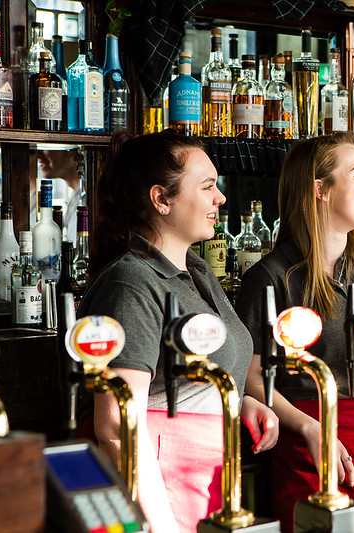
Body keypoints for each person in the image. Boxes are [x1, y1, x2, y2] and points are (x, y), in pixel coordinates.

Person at [79, 131, 278, 533]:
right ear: (161, 199)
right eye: (207, 186)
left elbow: (194, 371)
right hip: (158, 493)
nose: (220, 197)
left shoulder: (197, 271)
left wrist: (237, 401)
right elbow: (116, 426)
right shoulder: (132, 284)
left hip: (206, 480)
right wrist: (160, 524)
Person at [235, 132, 354, 532]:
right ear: (319, 189)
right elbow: (250, 376)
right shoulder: (270, 277)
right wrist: (309, 428)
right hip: (309, 445)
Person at [36, 148, 81, 241]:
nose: (38, 155)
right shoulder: (74, 197)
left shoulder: (89, 199)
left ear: (73, 152)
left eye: (46, 147)